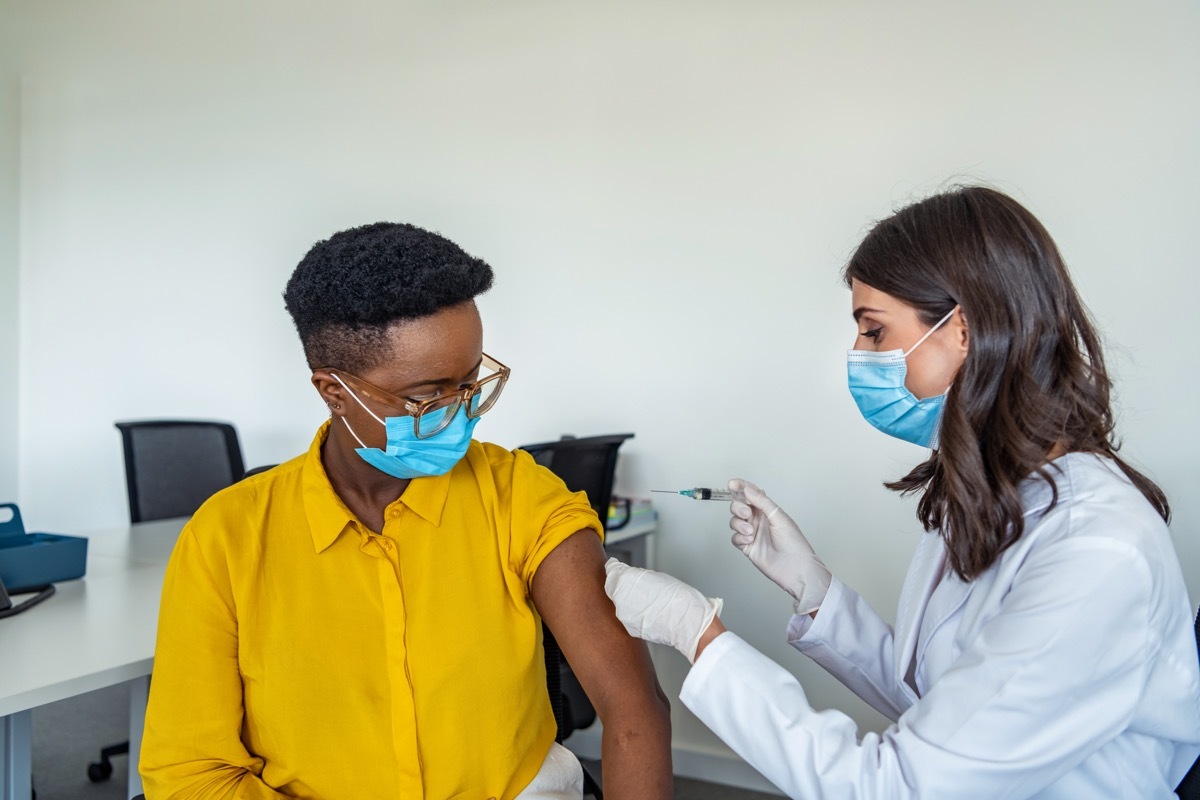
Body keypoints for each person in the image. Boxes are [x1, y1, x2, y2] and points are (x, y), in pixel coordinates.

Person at [605, 186, 1200, 798]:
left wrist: (697, 634)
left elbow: (899, 785)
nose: (858, 355)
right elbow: (939, 699)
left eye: (873, 331)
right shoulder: (1001, 495)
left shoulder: (1095, 549)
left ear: (963, 329)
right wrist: (814, 588)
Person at [140, 222, 672, 799]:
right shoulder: (228, 535)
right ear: (333, 391)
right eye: (428, 396)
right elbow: (190, 773)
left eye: (471, 383)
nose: (461, 415)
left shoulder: (520, 497)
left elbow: (634, 711)